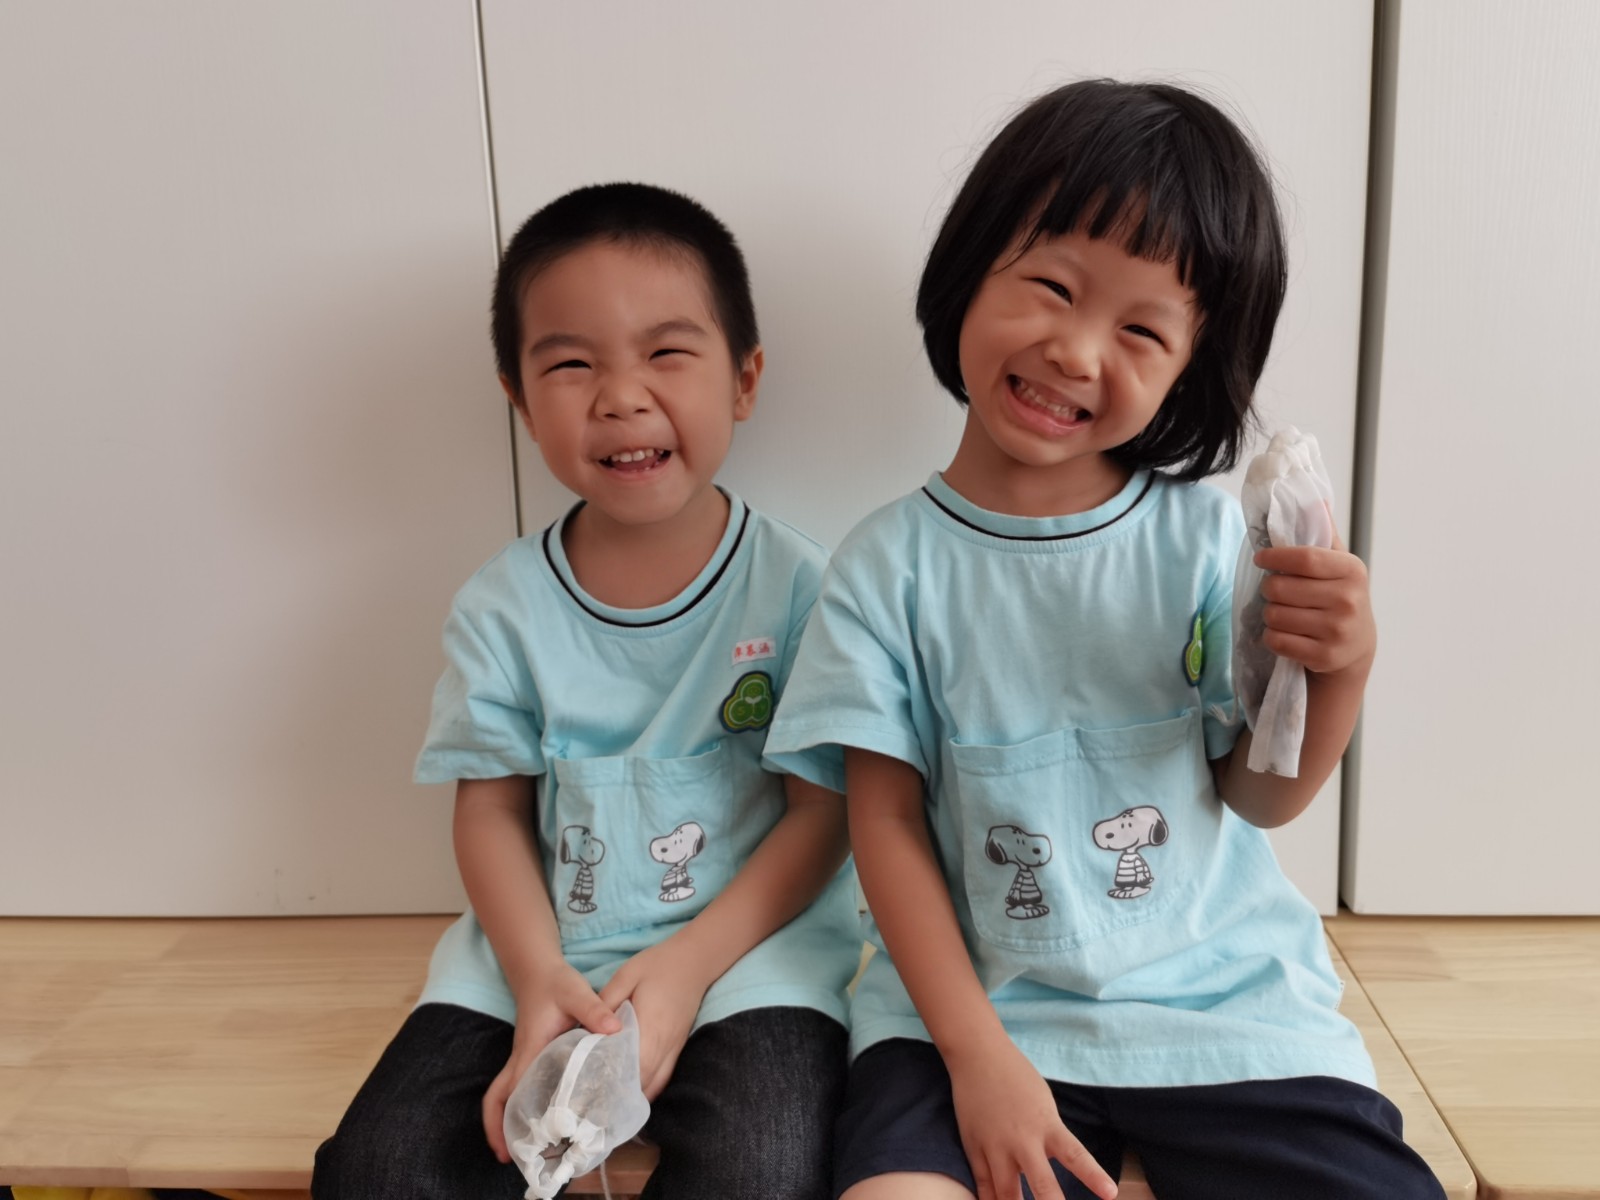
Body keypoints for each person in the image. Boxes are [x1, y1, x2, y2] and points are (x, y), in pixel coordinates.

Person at [764, 81, 1445, 1200]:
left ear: (1191, 365)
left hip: (1226, 1010)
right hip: (967, 1017)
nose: (1077, 351)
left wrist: (1341, 673)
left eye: (1141, 329)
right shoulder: (884, 567)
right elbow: (881, 826)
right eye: (1052, 286)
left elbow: (1260, 797)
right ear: (970, 267)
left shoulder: (1207, 542)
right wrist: (978, 1058)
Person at [314, 182, 860, 1200]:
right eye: (571, 365)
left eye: (666, 352)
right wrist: (536, 981)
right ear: (519, 399)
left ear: (744, 379)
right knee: (377, 1171)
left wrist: (687, 969)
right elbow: (489, 811)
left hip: (751, 960)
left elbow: (823, 814)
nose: (620, 396)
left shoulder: (800, 587)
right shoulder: (502, 606)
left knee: (763, 1169)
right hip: (530, 958)